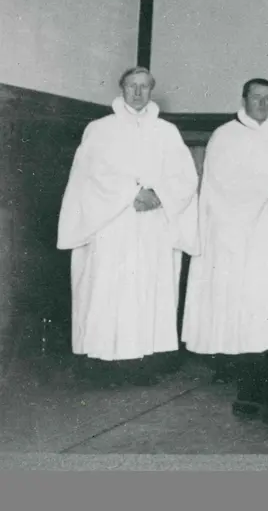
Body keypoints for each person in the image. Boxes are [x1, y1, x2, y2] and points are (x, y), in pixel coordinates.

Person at [57, 67, 199, 386]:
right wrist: (130, 193)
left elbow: (185, 176)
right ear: (121, 88)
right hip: (111, 223)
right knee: (108, 289)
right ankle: (102, 365)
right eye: (132, 86)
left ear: (152, 91)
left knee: (148, 289)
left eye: (145, 87)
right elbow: (91, 175)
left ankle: (143, 363)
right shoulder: (100, 129)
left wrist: (159, 195)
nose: (138, 92)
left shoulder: (166, 132)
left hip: (153, 225)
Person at [181, 79, 268, 383]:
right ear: (244, 100)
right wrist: (266, 188)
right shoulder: (225, 136)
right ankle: (231, 358)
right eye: (257, 98)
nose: (263, 105)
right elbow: (219, 182)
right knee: (237, 292)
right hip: (234, 235)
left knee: (267, 291)